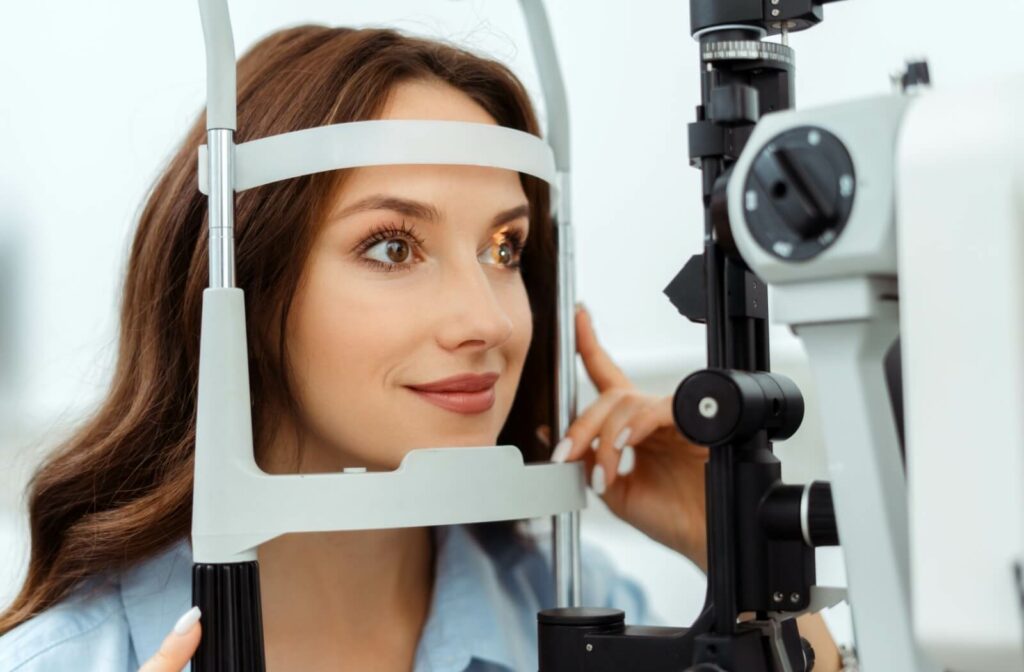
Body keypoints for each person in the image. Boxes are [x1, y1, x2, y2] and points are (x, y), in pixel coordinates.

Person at [0, 25, 840, 672]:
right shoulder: (71, 656)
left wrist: (733, 554)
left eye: (504, 251)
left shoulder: (572, 610)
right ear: (245, 292)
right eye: (393, 248)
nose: (487, 322)